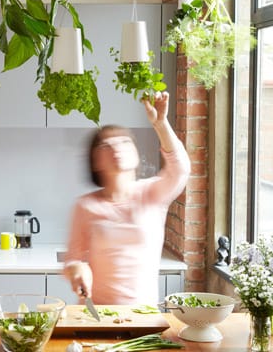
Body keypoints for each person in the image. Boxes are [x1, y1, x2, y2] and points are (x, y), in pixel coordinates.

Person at [63, 91, 191, 305]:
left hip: (144, 318)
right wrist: (77, 270)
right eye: (106, 145)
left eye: (124, 141)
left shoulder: (151, 194)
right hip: (98, 317)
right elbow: (72, 259)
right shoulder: (86, 206)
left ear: (135, 153)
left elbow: (181, 168)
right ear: (95, 161)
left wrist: (160, 123)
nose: (116, 148)